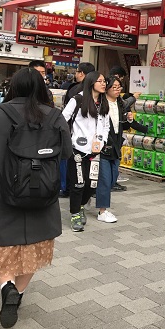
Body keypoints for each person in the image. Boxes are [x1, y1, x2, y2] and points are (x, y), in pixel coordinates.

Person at [0, 68, 72, 329]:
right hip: (41, 191)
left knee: (1, 244)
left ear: (13, 87)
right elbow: (65, 152)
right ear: (42, 89)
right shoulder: (55, 116)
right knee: (35, 247)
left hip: (0, 191)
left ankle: (6, 286)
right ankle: (17, 295)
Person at [62, 71, 110, 232]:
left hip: (95, 151)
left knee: (91, 184)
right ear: (91, 83)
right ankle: (75, 214)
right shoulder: (78, 99)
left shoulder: (104, 102)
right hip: (76, 150)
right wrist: (69, 141)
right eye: (100, 81)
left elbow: (106, 126)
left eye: (104, 81)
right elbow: (63, 119)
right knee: (78, 183)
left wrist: (102, 142)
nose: (104, 84)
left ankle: (81, 205)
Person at [95, 77, 145, 223]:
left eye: (119, 87)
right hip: (103, 146)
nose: (118, 90)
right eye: (114, 87)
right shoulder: (100, 103)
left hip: (116, 146)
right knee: (104, 178)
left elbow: (124, 125)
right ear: (107, 88)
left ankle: (90, 196)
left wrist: (129, 119)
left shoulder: (120, 104)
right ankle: (102, 210)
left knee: (112, 177)